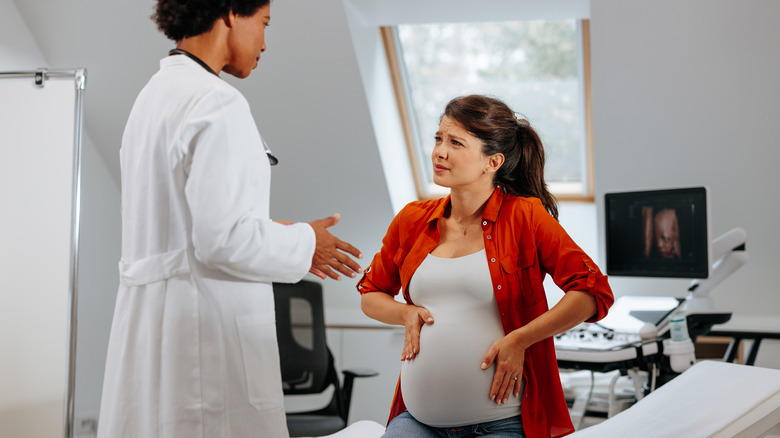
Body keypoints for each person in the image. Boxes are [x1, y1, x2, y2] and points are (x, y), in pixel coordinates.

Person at [97, 1, 363, 437]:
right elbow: (220, 240)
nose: (264, 43)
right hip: (203, 331)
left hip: (155, 328)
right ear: (231, 13)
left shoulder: (152, 98)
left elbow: (186, 226)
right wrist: (304, 242)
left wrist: (283, 235)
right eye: (264, 24)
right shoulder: (217, 103)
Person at [357, 95, 614, 438]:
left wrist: (520, 340)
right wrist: (405, 313)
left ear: (492, 161)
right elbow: (371, 293)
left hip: (501, 422)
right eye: (438, 139)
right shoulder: (412, 220)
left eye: (455, 142)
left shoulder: (525, 216)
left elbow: (591, 291)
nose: (439, 152)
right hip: (418, 420)